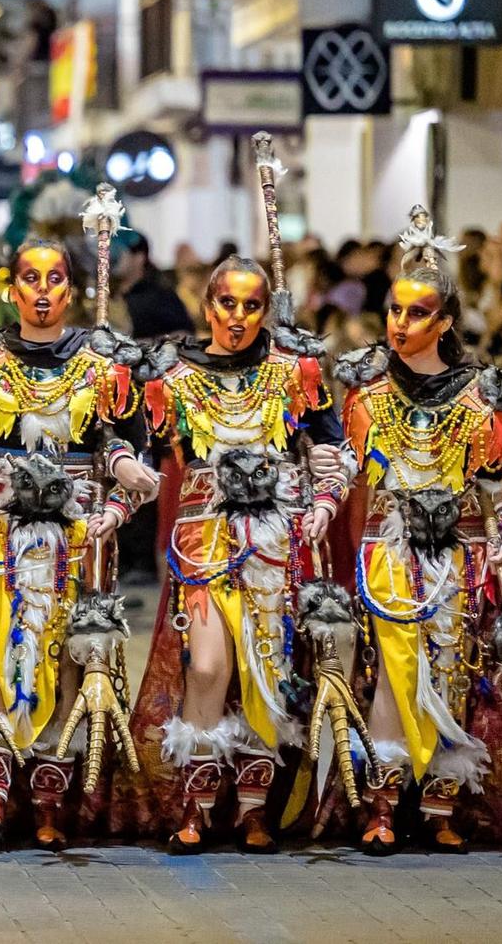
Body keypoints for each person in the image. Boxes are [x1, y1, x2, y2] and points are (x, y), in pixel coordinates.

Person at [0, 227, 157, 848]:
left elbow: (118, 438)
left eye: (55, 279)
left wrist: (122, 471)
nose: (41, 291)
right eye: (29, 279)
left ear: (73, 289)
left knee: (67, 656)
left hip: (76, 525)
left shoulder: (103, 365)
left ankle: (50, 799)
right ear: (10, 290)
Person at [130, 254, 349, 853]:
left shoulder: (293, 370)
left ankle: (254, 810)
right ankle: (195, 805)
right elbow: (135, 448)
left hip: (276, 540)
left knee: (265, 669)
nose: (238, 316)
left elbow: (333, 450)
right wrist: (129, 483)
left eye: (253, 305)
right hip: (203, 537)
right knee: (206, 666)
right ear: (207, 305)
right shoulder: (173, 375)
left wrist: (325, 499)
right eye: (227, 302)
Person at [334, 208, 502, 853]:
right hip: (389, 546)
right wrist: (314, 505)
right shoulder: (365, 391)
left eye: (417, 314)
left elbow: (501, 484)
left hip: (459, 554)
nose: (400, 324)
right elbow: (346, 473)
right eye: (394, 311)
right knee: (392, 669)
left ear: (445, 322)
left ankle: (440, 804)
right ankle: (382, 804)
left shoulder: (481, 396)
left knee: (449, 669)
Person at [118, 232, 192, 341]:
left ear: (139, 257)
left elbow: (184, 334)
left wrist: (143, 345)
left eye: (119, 252)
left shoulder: (160, 295)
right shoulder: (109, 290)